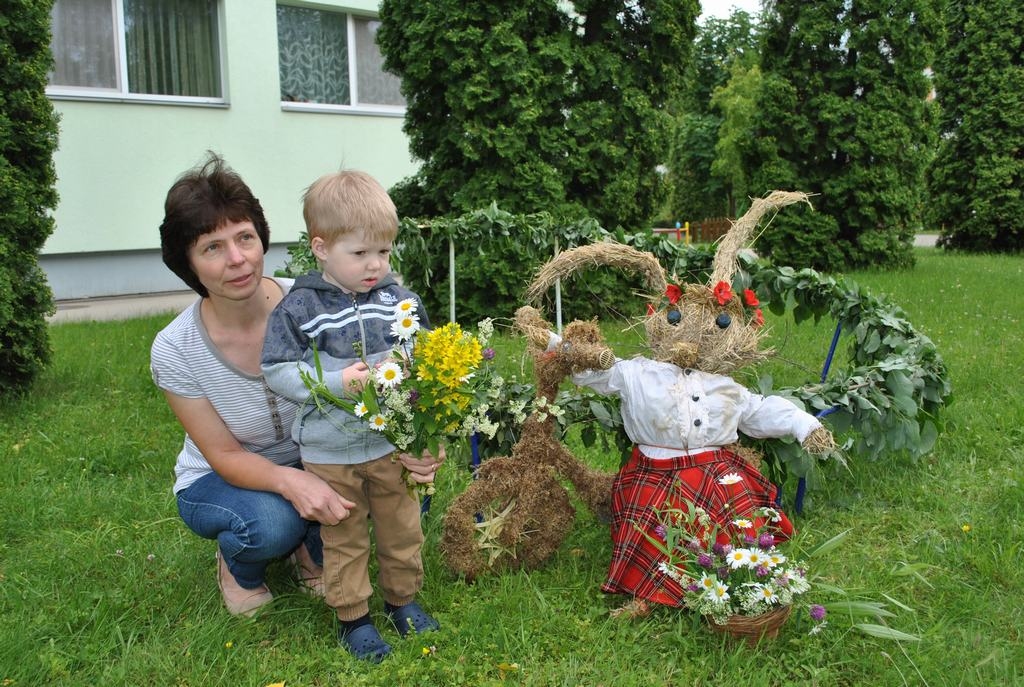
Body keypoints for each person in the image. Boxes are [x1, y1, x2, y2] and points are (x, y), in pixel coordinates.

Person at [150, 154, 354, 617]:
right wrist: (293, 482)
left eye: (244, 237)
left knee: (374, 494)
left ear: (261, 238)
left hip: (315, 451)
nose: (237, 259)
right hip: (219, 475)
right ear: (188, 264)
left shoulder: (313, 302)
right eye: (212, 248)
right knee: (270, 524)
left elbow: (361, 383)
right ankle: (240, 562)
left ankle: (311, 547)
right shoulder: (175, 348)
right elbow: (223, 455)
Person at [261, 170, 442, 663]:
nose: (375, 265)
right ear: (321, 247)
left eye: (383, 252)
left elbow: (424, 356)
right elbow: (276, 371)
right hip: (329, 453)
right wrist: (339, 381)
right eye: (359, 253)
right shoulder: (299, 308)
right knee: (343, 539)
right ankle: (353, 619)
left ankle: (403, 601)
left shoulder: (397, 300)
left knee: (402, 528)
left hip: (390, 445)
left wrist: (409, 373)